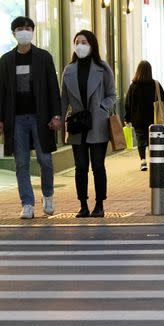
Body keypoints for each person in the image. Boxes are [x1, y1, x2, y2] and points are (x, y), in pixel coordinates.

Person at [0, 16, 62, 219]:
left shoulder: (43, 57)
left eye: (28, 28)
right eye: (20, 28)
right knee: (21, 162)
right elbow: (0, 91)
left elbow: (53, 89)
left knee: (45, 159)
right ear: (13, 33)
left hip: (40, 117)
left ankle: (48, 195)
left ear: (33, 31)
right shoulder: (6, 60)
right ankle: (27, 203)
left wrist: (56, 115)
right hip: (16, 119)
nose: (24, 31)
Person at [60, 30, 116, 218]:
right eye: (77, 42)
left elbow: (112, 95)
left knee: (98, 165)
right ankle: (83, 204)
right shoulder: (69, 70)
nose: (80, 45)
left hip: (97, 123)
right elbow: (63, 99)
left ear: (92, 45)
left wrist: (102, 106)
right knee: (80, 166)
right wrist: (58, 120)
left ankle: (99, 204)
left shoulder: (102, 67)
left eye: (84, 42)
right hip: (77, 124)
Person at [123, 60, 164, 172]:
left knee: (140, 139)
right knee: (152, 139)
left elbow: (127, 103)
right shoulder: (155, 85)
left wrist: (127, 118)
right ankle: (154, 159)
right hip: (153, 119)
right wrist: (163, 112)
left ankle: (143, 161)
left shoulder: (133, 86)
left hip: (138, 119)